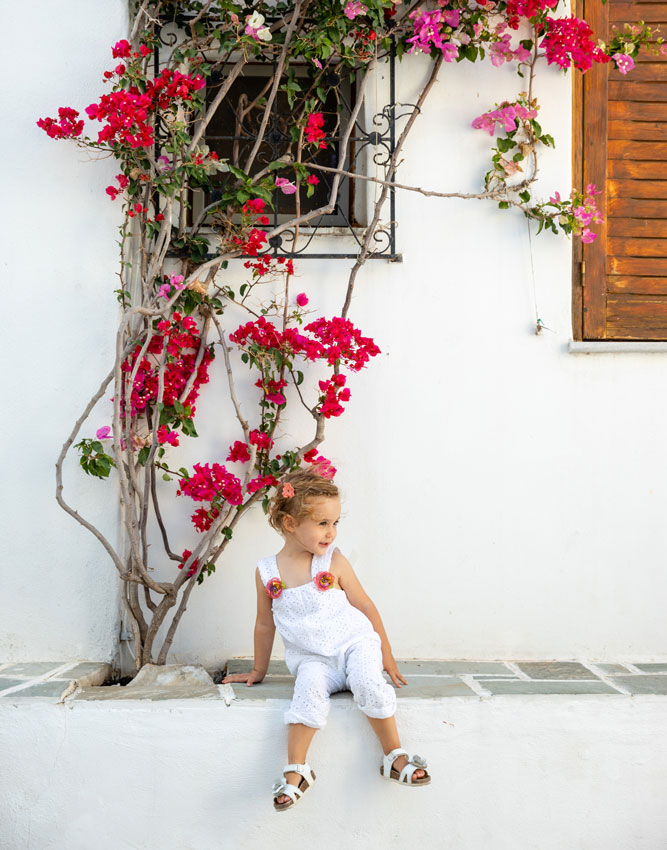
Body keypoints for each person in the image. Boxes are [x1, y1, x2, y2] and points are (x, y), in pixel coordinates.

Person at [222, 468, 431, 811]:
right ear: (290, 524)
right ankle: (297, 771)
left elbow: (365, 605)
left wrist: (386, 656)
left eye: (335, 523)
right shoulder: (267, 572)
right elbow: (264, 623)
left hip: (354, 645)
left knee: (368, 682)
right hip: (313, 659)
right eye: (322, 523)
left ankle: (394, 755)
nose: (331, 532)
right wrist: (258, 670)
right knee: (306, 696)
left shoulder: (333, 561)